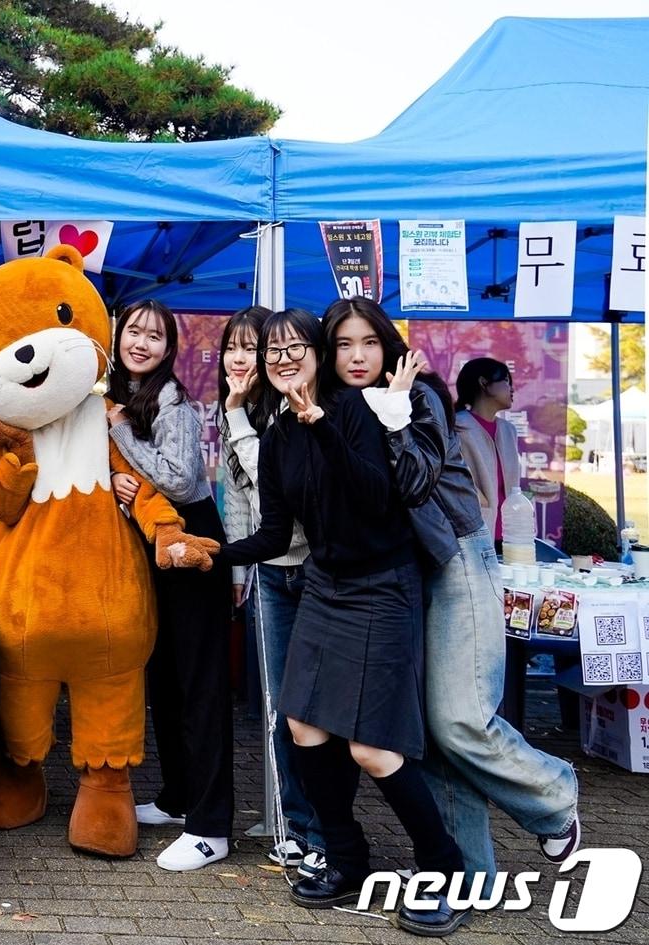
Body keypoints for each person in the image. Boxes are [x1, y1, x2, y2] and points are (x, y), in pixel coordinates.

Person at [208, 308, 468, 938]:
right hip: (324, 584)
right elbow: (274, 532)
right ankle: (347, 857)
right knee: (302, 725)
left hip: (383, 584)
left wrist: (321, 423)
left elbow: (377, 496)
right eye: (274, 350)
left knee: (372, 748)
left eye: (298, 346)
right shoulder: (277, 438)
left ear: (317, 355)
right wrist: (211, 550)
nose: (284, 357)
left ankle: (445, 870)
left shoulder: (359, 409)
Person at [323, 297, 580, 891]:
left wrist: (391, 419)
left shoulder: (419, 398)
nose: (357, 356)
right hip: (400, 576)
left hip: (457, 560)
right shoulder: (340, 409)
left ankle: (554, 792)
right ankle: (471, 872)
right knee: (432, 736)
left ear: (388, 344)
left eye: (368, 342)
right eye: (343, 345)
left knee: (460, 717)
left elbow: (414, 483)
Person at [104, 300, 232, 872]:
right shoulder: (113, 392)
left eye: (155, 336)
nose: (143, 343)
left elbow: (181, 479)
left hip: (191, 545)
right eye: (134, 331)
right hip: (148, 547)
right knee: (166, 678)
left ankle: (212, 825)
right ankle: (179, 797)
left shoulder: (173, 401)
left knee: (200, 685)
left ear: (169, 348)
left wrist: (124, 435)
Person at [214, 305, 324, 877]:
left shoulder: (297, 406)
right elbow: (236, 496)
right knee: (281, 706)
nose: (243, 357)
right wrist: (238, 571)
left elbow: (270, 481)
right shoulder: (239, 407)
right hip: (270, 568)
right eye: (232, 346)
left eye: (252, 346)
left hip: (319, 568)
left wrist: (237, 417)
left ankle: (318, 828)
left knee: (313, 707)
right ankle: (293, 826)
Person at [454, 357, 520, 544]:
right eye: (506, 381)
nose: (512, 389)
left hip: (509, 536)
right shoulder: (457, 427)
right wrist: (479, 498)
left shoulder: (509, 431)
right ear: (484, 383)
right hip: (472, 535)